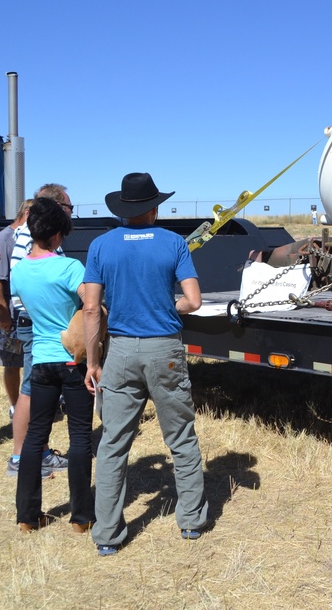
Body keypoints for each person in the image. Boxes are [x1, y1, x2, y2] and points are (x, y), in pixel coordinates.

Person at [82, 172, 208, 556]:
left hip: (119, 351)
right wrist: (166, 306)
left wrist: (92, 360)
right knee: (181, 437)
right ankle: (190, 522)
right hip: (164, 351)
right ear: (155, 208)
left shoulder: (101, 245)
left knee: (113, 443)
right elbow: (194, 300)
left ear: (122, 208)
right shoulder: (174, 243)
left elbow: (91, 308)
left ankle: (107, 535)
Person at [11, 197, 95, 532]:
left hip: (41, 360)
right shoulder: (70, 268)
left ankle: (27, 516)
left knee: (34, 438)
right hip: (72, 360)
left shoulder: (19, 272)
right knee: (79, 438)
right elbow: (91, 305)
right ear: (58, 234)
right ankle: (81, 517)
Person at [6, 184, 73, 478]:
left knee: (34, 389)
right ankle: (21, 457)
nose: (72, 215)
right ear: (57, 209)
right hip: (36, 323)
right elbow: (28, 283)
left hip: (36, 322)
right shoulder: (30, 239)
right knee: (31, 391)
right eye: (69, 209)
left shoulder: (38, 239)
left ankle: (39, 451)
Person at [0, 199, 33, 420]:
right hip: (9, 316)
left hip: (22, 313)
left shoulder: (24, 237)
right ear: (26, 213)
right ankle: (16, 407)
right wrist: (3, 315)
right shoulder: (3, 240)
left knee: (26, 362)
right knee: (12, 363)